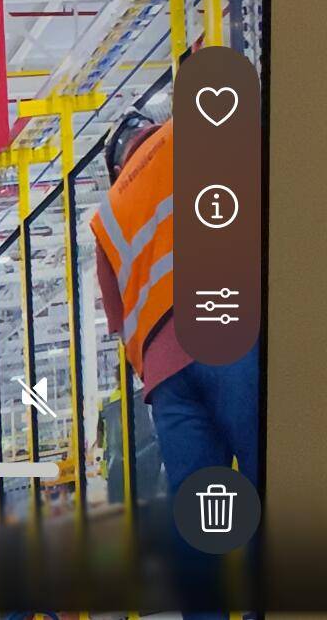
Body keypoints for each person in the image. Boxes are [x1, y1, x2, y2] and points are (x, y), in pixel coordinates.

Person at [91, 107, 260, 492]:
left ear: (116, 170)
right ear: (149, 127)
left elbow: (117, 321)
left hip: (166, 376)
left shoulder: (106, 217)